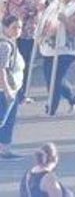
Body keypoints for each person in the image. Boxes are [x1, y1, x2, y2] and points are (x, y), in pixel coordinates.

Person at [38, 0, 75, 116]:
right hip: (49, 48)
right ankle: (73, 96)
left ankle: (51, 108)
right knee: (50, 78)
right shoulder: (53, 5)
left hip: (66, 50)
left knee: (56, 79)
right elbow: (45, 22)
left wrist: (66, 20)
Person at [0, 14, 22, 160]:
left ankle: (5, 150)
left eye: (19, 27)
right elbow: (1, 69)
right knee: (4, 121)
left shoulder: (11, 43)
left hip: (12, 88)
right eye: (14, 27)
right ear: (5, 28)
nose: (17, 30)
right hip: (4, 90)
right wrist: (7, 90)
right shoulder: (5, 46)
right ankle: (5, 151)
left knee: (7, 121)